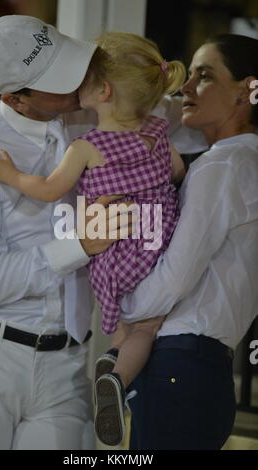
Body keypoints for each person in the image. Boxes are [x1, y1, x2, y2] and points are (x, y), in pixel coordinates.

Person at [0, 31, 186, 447]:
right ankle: (118, 374)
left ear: (102, 91)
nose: (74, 85)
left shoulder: (89, 141)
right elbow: (176, 172)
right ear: (14, 99)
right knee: (142, 327)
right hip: (152, 243)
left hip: (101, 279)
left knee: (130, 324)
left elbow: (51, 189)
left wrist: (11, 176)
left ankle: (114, 372)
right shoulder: (157, 130)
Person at [0, 15, 134, 450]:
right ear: (16, 100)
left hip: (70, 362)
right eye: (60, 77)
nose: (79, 79)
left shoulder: (94, 117)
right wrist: (79, 246)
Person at [119, 33, 258, 450]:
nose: (186, 87)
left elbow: (176, 275)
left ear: (247, 91)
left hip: (180, 363)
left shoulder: (225, 165)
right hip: (198, 367)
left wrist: (121, 308)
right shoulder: (240, 160)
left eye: (205, 75)